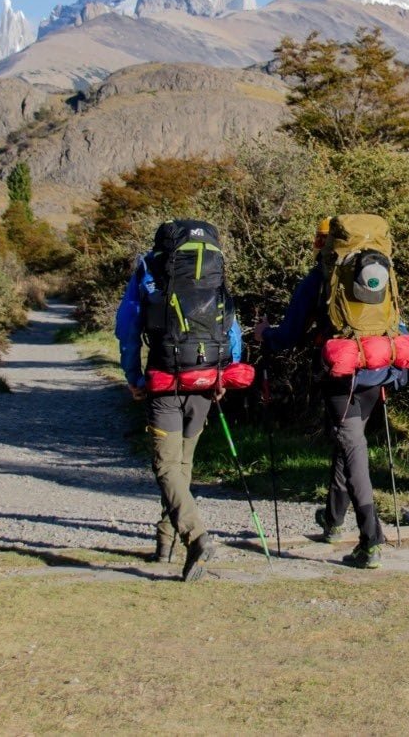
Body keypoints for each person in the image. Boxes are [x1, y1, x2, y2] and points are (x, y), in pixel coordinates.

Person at [256, 216, 409, 570]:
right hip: (379, 369)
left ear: (323, 245)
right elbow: (396, 322)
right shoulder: (381, 272)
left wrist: (264, 334)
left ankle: (370, 539)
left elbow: (290, 334)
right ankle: (332, 520)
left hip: (341, 374)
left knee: (352, 446)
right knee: (349, 442)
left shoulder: (320, 279)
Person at [116, 219, 242, 582]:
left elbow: (128, 326)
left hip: (165, 379)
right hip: (205, 380)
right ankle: (165, 545)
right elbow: (230, 325)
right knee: (182, 464)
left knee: (166, 466)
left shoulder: (148, 267)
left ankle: (196, 537)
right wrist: (225, 375)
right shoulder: (213, 271)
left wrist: (133, 376)